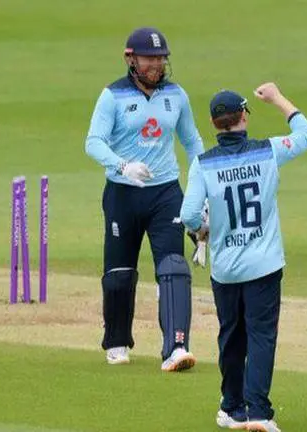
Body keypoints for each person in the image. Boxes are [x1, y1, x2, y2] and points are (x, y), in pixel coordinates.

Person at [180, 83, 307, 432]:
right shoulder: (267, 151)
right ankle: (258, 411)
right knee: (261, 337)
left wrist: (203, 231)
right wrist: (277, 99)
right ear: (243, 116)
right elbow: (306, 134)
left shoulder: (202, 164)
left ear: (214, 123)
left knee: (231, 336)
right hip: (264, 264)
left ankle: (231, 407)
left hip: (225, 268)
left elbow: (189, 214)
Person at [84, 27, 202, 371]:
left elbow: (192, 142)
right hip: (123, 193)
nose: (156, 64)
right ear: (130, 58)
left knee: (174, 267)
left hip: (166, 193)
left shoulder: (176, 95)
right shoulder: (112, 96)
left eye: (160, 58)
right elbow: (93, 142)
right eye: (149, 58)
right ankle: (117, 341)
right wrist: (123, 166)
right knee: (120, 273)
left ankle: (176, 346)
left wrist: (204, 190)